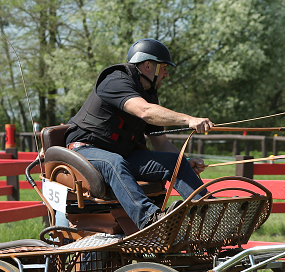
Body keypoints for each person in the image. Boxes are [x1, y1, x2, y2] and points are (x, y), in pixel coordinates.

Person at [64, 38, 213, 229]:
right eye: (164, 68)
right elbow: (145, 111)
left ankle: (210, 211)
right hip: (84, 152)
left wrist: (186, 159)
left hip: (122, 156)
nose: (167, 74)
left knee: (175, 162)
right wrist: (189, 120)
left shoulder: (149, 94)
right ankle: (150, 221)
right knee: (113, 162)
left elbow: (161, 144)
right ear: (148, 65)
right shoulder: (115, 79)